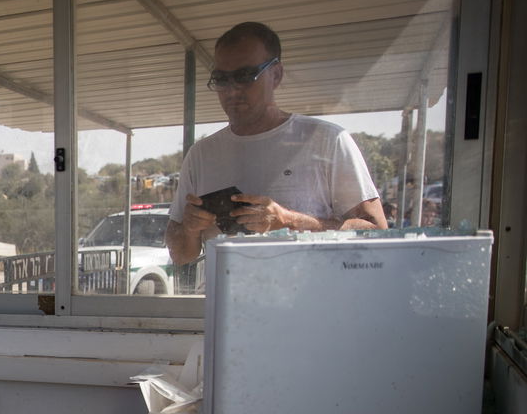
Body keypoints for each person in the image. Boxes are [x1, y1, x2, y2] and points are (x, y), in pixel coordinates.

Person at [165, 22, 387, 266]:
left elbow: (377, 233)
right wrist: (188, 229)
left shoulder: (327, 141)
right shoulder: (201, 155)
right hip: (229, 300)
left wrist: (288, 221)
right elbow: (180, 256)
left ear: (276, 75)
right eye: (221, 79)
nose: (231, 90)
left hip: (313, 301)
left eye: (245, 76)